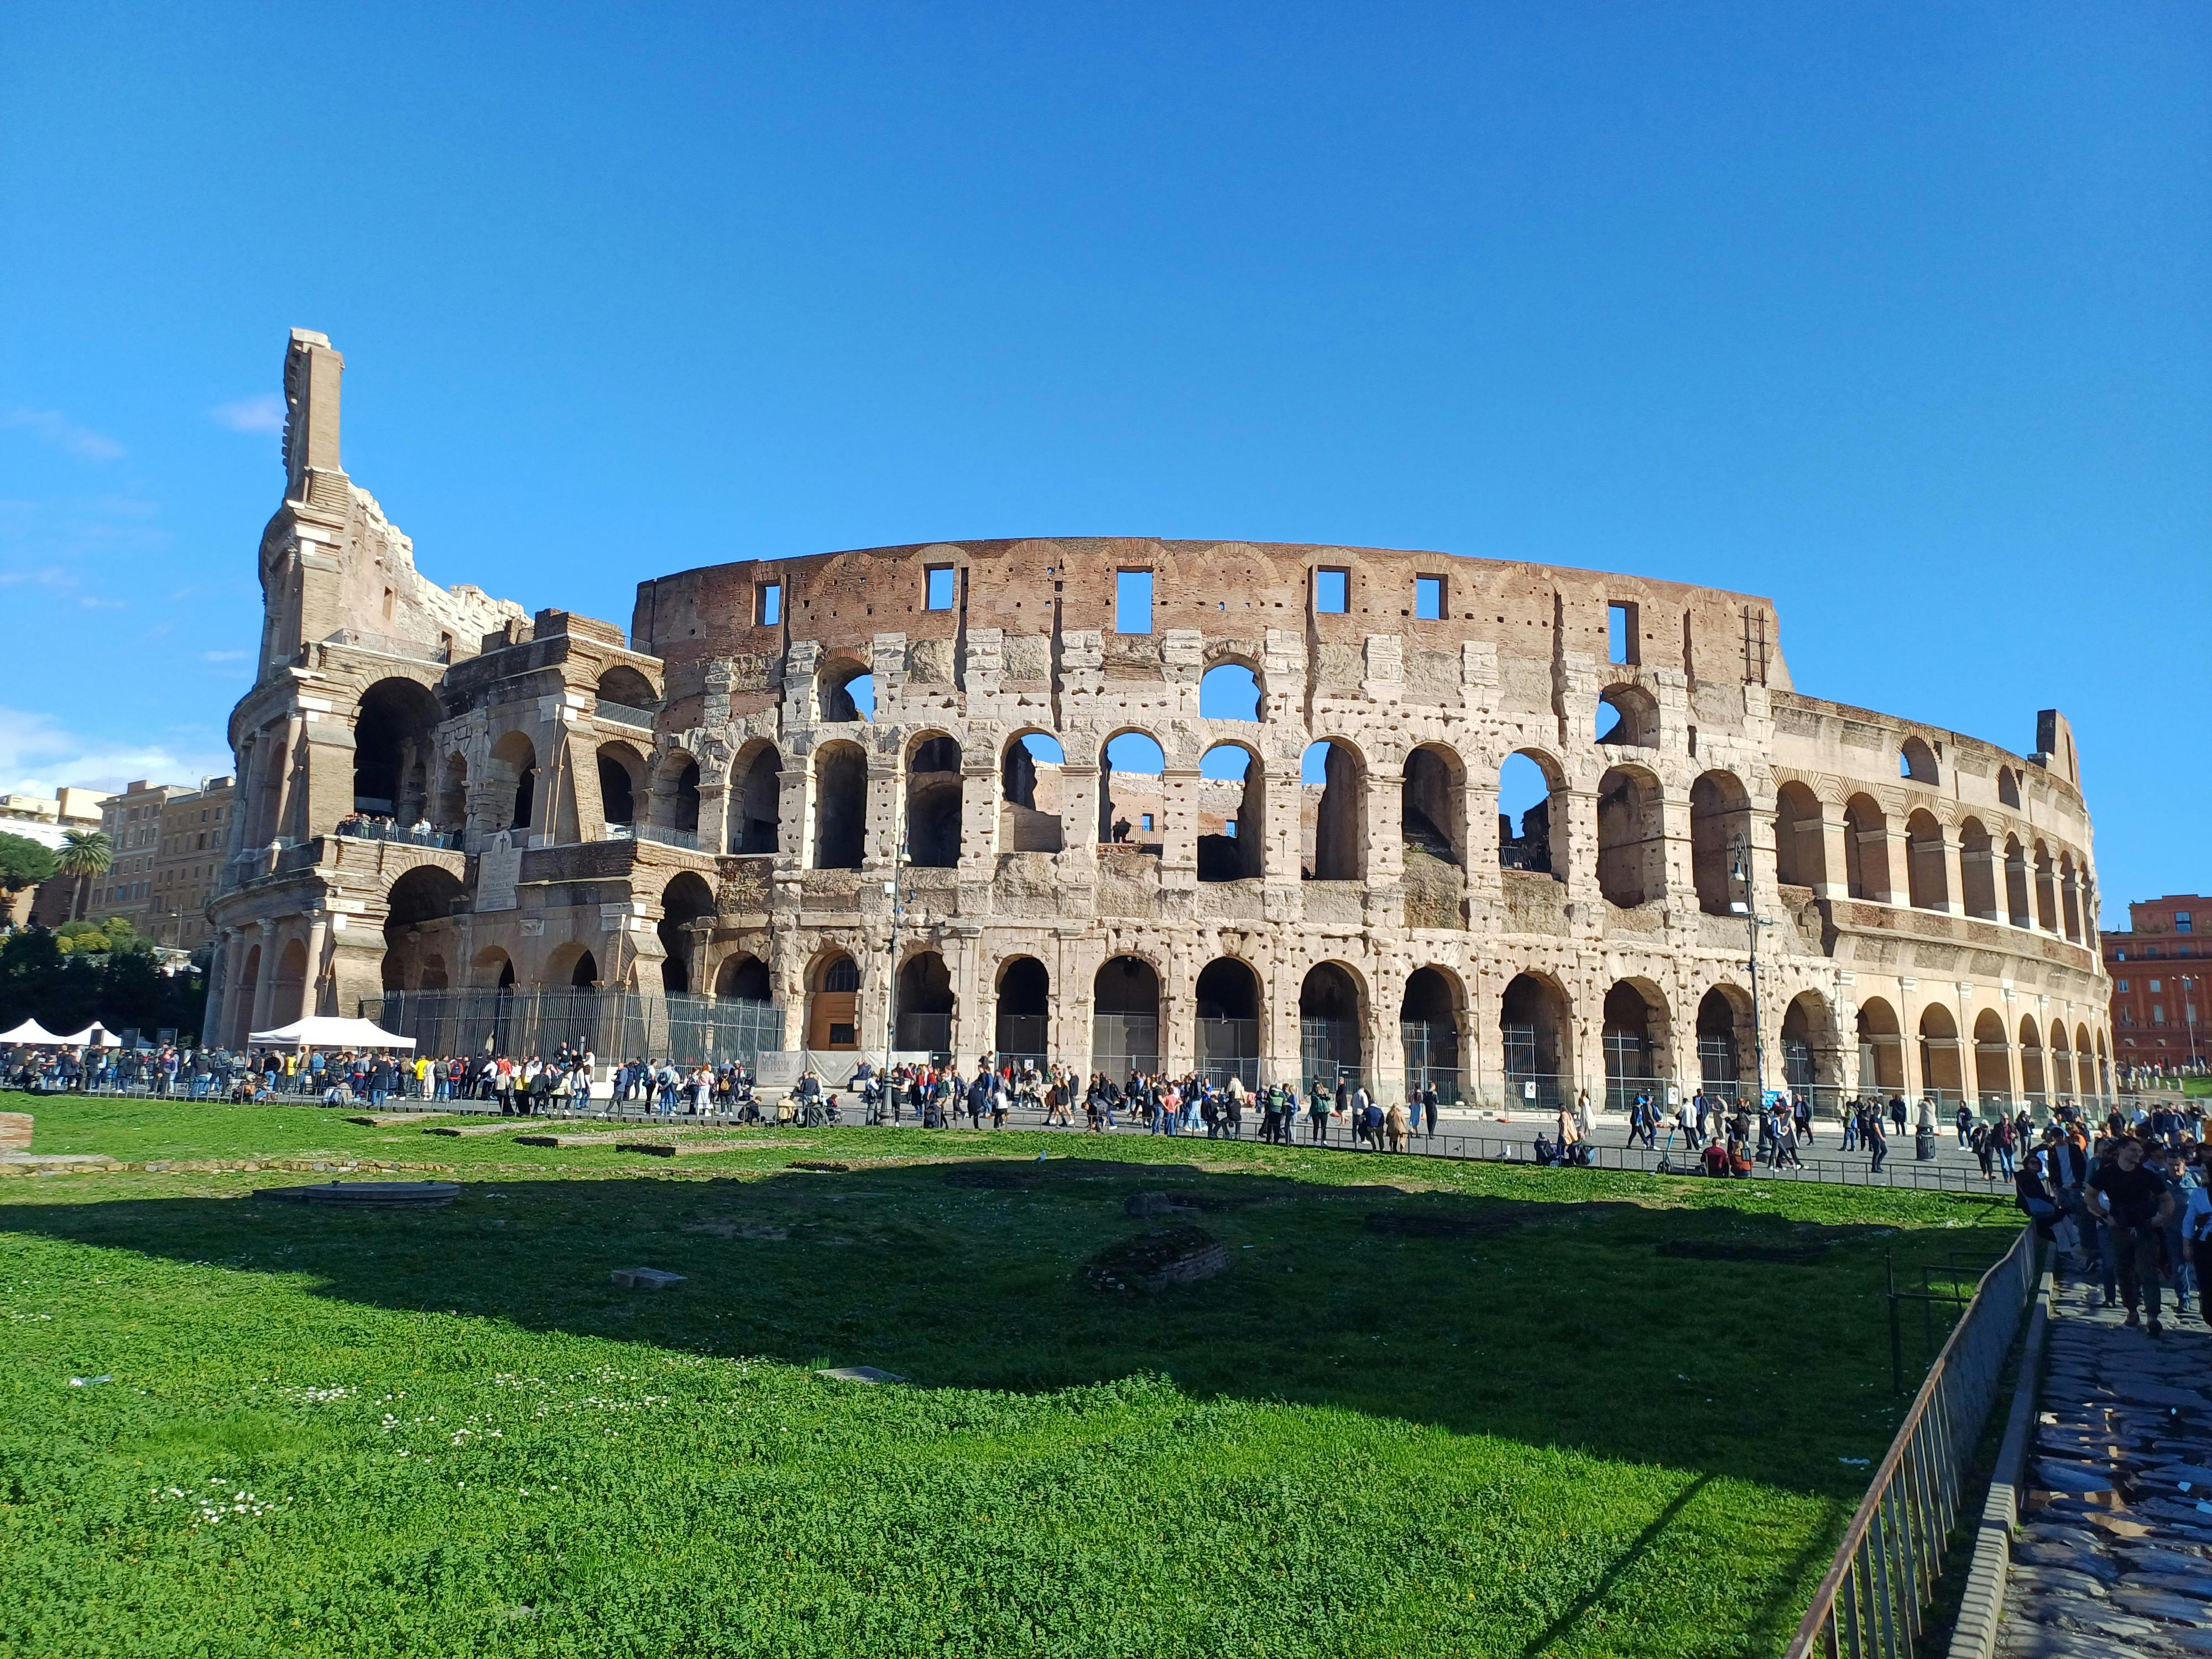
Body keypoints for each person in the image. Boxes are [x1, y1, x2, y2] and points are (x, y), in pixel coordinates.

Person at [2084, 1136, 2176, 1333]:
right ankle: (2132, 1312)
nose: (2138, 1154)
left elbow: (2167, 1200)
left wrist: (2161, 1217)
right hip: (2119, 1227)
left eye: (2140, 1151)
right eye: (2134, 1150)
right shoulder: (2107, 1173)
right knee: (2123, 1272)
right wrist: (2104, 1215)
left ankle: (2152, 1317)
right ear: (2122, 1150)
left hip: (2145, 1227)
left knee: (2148, 1272)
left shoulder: (2147, 1175)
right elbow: (2089, 1196)